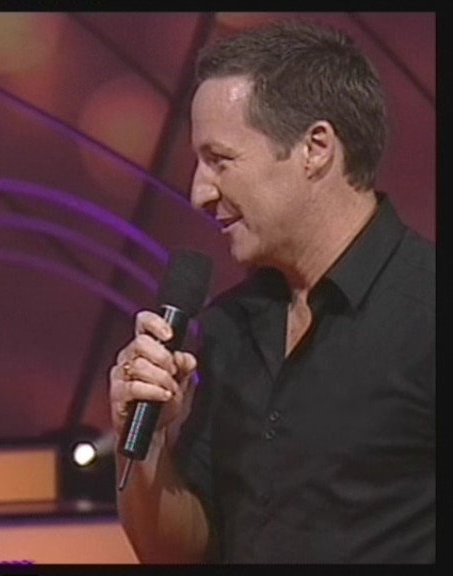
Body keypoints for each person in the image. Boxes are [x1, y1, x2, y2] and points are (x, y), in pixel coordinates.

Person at [108, 20, 434, 563]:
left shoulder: (427, 312)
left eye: (220, 159)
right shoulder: (226, 328)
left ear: (315, 148)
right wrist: (147, 445)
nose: (199, 193)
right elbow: (179, 554)